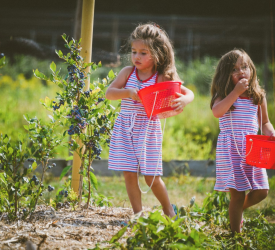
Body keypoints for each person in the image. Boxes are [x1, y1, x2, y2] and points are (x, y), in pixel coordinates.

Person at [106, 23, 194, 218]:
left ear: (157, 54)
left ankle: (168, 210)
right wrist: (127, 92)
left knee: (151, 177)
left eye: (143, 53)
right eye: (134, 51)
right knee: (129, 173)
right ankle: (138, 214)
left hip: (147, 130)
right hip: (125, 128)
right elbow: (109, 93)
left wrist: (184, 100)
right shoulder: (127, 73)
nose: (137, 56)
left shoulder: (161, 76)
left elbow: (188, 92)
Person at [210, 49, 275, 233]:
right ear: (225, 74)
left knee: (262, 191)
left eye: (244, 67)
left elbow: (265, 122)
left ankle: (236, 210)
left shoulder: (258, 96)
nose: (241, 72)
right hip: (231, 149)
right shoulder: (223, 95)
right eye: (234, 69)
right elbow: (217, 112)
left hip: (252, 148)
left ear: (251, 70)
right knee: (237, 195)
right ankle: (235, 236)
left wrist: (271, 133)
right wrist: (236, 93)